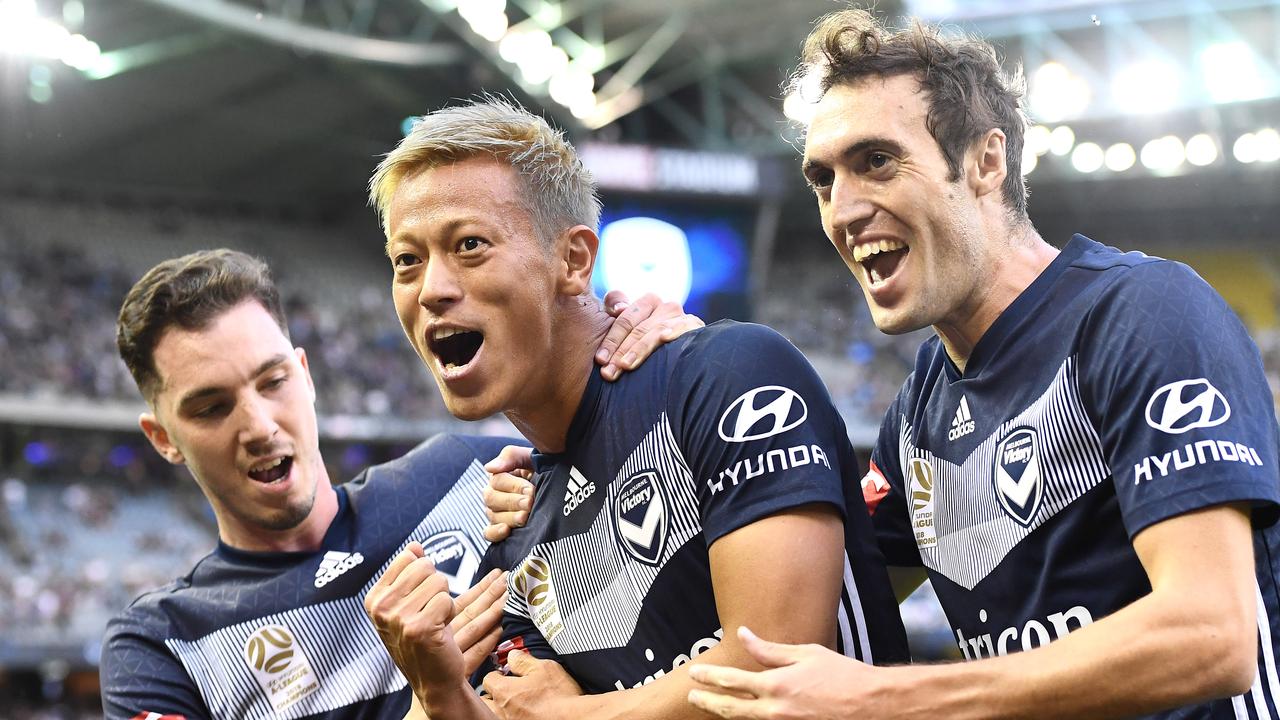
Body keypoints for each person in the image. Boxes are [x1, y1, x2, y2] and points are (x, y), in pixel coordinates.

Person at [678, 9, 1280, 720]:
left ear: (987, 162)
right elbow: (791, 599)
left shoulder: (1142, 314)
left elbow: (1213, 636)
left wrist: (887, 698)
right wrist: (607, 428)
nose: (842, 209)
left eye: (876, 161)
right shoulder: (918, 415)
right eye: (823, 180)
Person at [361, 97, 909, 720]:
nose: (432, 288)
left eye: (470, 245)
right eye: (407, 260)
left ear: (572, 261)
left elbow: (777, 666)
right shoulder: (517, 523)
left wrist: (578, 716)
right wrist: (441, 695)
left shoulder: (726, 376)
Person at [97, 248, 699, 720]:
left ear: (304, 376)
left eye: (272, 381)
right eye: (210, 408)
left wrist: (659, 357)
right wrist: (429, 704)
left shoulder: (470, 477)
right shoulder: (163, 644)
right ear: (163, 438)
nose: (257, 425)